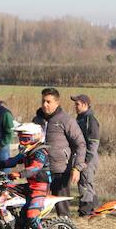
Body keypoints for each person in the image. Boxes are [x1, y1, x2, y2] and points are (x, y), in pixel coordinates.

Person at [0, 122, 52, 229]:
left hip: (40, 187)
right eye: (20, 138)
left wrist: (19, 174)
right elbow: (13, 161)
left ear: (36, 138)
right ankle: (11, 227)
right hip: (29, 185)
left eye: (25, 139)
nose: (22, 142)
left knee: (32, 215)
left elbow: (34, 168)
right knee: (2, 193)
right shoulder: (26, 151)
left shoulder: (40, 151)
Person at [32, 87, 86, 217]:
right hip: (39, 170)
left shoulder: (66, 120)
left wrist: (77, 168)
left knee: (62, 209)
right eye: (43, 101)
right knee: (36, 206)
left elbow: (80, 144)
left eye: (48, 102)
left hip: (60, 170)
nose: (45, 105)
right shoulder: (36, 121)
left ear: (57, 102)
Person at [72, 94, 100, 216]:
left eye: (77, 104)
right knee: (84, 183)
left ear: (84, 104)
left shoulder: (91, 120)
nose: (75, 106)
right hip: (81, 156)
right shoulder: (80, 118)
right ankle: (93, 208)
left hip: (88, 158)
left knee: (85, 182)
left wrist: (85, 161)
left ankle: (86, 210)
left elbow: (93, 144)